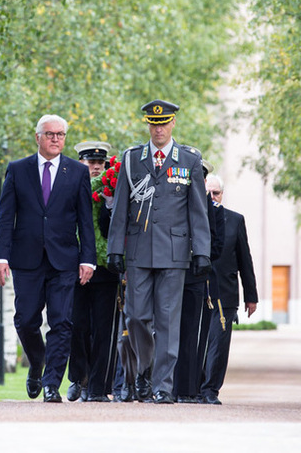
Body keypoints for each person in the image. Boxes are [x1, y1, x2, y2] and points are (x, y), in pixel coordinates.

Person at [107, 99, 211, 404]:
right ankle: (142, 372)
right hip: (138, 251)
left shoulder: (190, 159)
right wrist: (115, 249)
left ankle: (162, 386)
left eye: (164, 123)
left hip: (174, 252)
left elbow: (198, 211)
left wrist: (201, 252)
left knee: (167, 320)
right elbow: (121, 210)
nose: (159, 129)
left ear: (173, 124)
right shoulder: (131, 159)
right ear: (148, 126)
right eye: (154, 124)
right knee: (136, 318)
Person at [0, 114, 96, 403]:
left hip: (64, 260)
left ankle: (52, 384)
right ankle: (37, 363)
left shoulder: (77, 172)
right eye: (50, 134)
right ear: (37, 137)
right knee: (26, 320)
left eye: (60, 134)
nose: (55, 139)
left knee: (62, 323)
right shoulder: (18, 170)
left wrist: (88, 259)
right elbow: (5, 218)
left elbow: (85, 220)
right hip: (26, 259)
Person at [66, 141, 120, 402]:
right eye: (91, 163)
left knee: (102, 330)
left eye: (100, 163)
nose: (96, 167)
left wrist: (110, 203)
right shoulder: (69, 187)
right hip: (75, 266)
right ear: (81, 164)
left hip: (106, 268)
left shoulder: (114, 191)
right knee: (76, 327)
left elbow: (116, 229)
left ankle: (98, 387)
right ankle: (79, 377)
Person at [200, 173, 259, 405]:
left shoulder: (235, 220)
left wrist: (251, 296)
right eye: (208, 193)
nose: (212, 197)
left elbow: (246, 259)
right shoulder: (193, 217)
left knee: (218, 344)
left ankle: (210, 390)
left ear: (222, 195)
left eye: (216, 193)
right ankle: (192, 388)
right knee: (197, 342)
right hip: (198, 290)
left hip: (225, 293)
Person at [173, 160, 226, 403]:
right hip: (170, 273)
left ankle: (188, 388)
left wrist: (197, 255)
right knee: (167, 331)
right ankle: (165, 386)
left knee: (193, 335)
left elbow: (215, 246)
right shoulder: (174, 201)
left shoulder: (210, 208)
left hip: (194, 278)